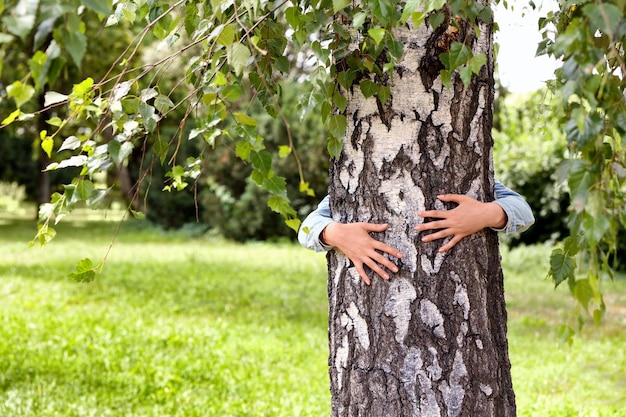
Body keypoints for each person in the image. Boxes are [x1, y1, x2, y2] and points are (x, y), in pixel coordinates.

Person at [298, 180, 535, 285]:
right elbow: (306, 228)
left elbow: (524, 211)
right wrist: (333, 232)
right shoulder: (354, 182)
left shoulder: (474, 175)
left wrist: (487, 214)